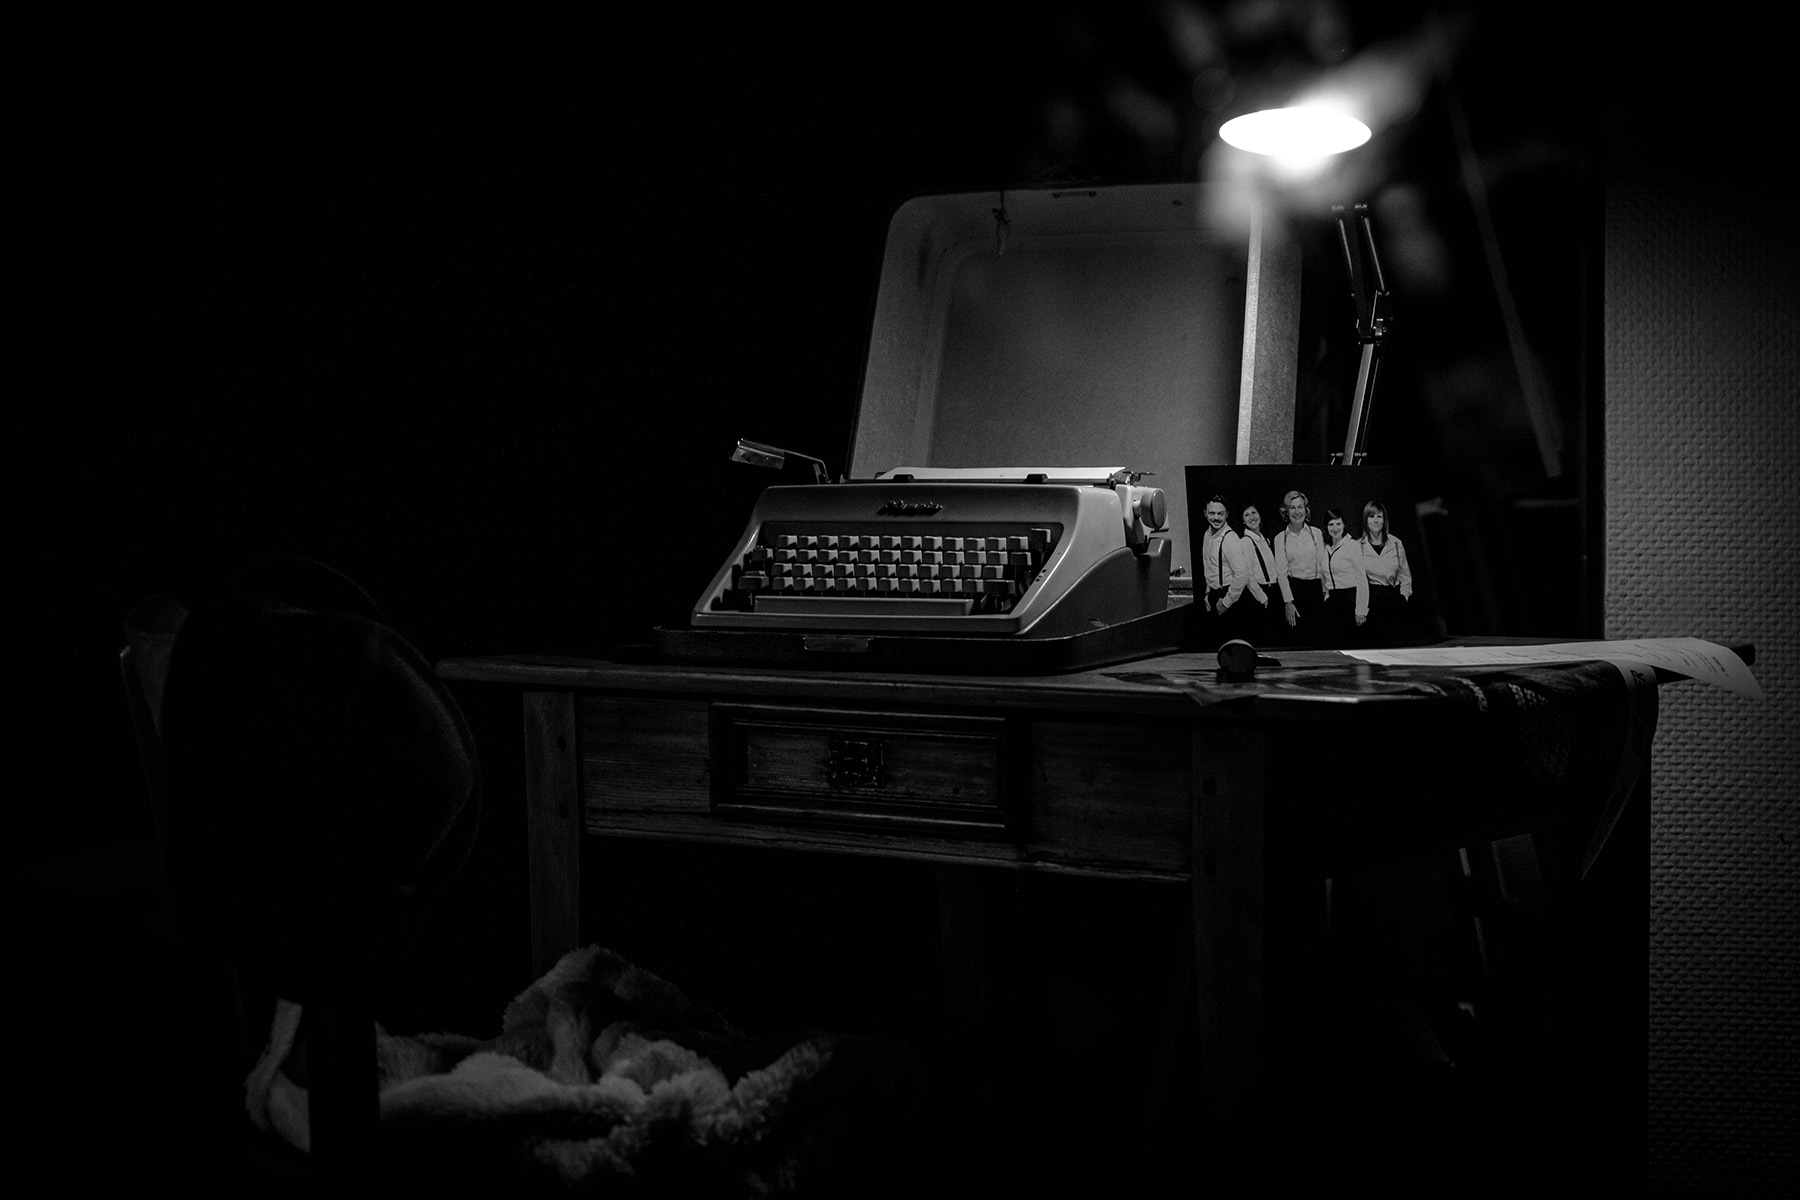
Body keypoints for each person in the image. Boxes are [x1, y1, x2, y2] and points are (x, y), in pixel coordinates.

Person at [1272, 489, 1328, 645]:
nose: (1297, 512)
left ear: (1306, 509)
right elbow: (1281, 574)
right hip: (1295, 591)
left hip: (1316, 591)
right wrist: (1288, 602)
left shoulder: (1316, 533)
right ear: (1286, 511)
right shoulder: (1280, 538)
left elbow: (1322, 565)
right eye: (1292, 507)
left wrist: (1325, 592)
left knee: (1318, 641)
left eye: (1300, 507)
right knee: (1297, 641)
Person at [1197, 494, 1253, 649]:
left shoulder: (1230, 538)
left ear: (1227, 514)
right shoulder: (1207, 534)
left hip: (1230, 597)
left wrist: (1226, 602)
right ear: (1205, 513)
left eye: (1220, 514)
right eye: (1212, 513)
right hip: (1214, 595)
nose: (1216, 518)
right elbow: (1208, 565)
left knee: (1232, 647)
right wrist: (1208, 592)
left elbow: (1242, 576)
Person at [1358, 499, 1413, 647]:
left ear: (1384, 520)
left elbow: (1405, 576)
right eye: (1372, 516)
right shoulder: (1358, 546)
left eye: (1379, 516)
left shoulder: (1396, 543)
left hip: (1394, 599)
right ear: (1365, 520)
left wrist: (1403, 597)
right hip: (1372, 602)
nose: (1376, 520)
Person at [1323, 507, 1369, 646]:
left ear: (1344, 525)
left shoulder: (1352, 545)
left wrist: (1361, 610)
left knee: (1350, 644)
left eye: (1338, 524)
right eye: (1331, 524)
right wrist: (1327, 595)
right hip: (1332, 601)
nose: (1335, 528)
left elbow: (1362, 579)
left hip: (1350, 600)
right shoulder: (1325, 548)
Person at [1238, 502, 1279, 646]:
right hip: (1259, 595)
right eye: (1247, 515)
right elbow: (1248, 575)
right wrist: (1262, 597)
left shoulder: (1265, 540)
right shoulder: (1245, 542)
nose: (1251, 517)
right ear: (1243, 521)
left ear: (1260, 516)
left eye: (1254, 513)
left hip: (1273, 592)